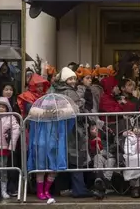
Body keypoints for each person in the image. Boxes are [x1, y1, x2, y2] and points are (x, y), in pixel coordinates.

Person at [52, 67, 91, 198]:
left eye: (74, 78)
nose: (73, 81)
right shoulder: (70, 92)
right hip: (73, 129)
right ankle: (79, 189)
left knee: (64, 158)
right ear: (65, 80)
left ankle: (62, 188)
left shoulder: (55, 90)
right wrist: (83, 102)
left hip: (61, 129)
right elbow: (78, 108)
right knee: (76, 159)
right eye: (70, 78)